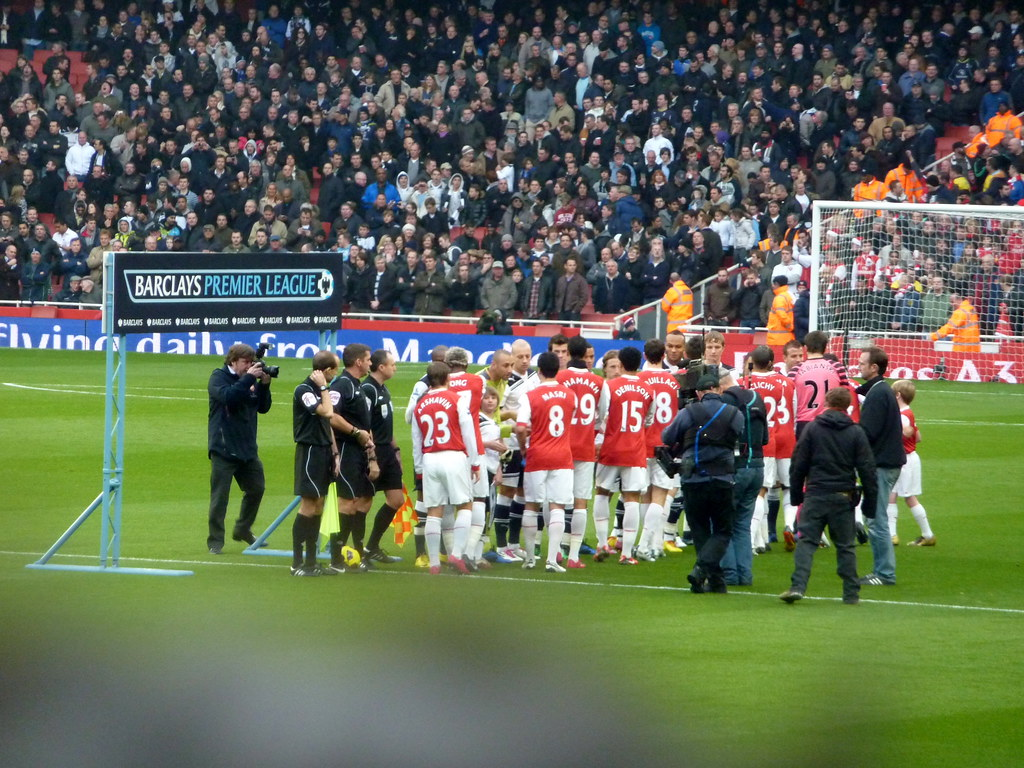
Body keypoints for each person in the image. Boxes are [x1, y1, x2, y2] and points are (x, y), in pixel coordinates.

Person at [780, 387, 878, 605]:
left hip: (815, 494)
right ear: (847, 407)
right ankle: (851, 593)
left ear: (826, 403)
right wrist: (870, 505)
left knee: (806, 542)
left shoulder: (813, 429)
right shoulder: (855, 432)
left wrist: (796, 496)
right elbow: (867, 470)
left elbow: (798, 465)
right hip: (843, 496)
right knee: (846, 546)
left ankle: (798, 586)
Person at [662, 373, 745, 593]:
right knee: (722, 530)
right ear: (719, 390)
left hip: (693, 478)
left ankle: (708, 577)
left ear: (698, 393)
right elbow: (739, 434)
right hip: (723, 478)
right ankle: (709, 577)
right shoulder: (734, 413)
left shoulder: (688, 412)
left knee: (699, 530)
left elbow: (667, 437)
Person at [411, 362, 481, 575]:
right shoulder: (457, 399)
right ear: (447, 378)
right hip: (453, 455)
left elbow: (417, 440)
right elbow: (468, 433)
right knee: (465, 505)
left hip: (430, 458)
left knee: (434, 510)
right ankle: (456, 554)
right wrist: (475, 462)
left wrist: (419, 468)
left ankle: (434, 563)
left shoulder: (420, 404)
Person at [785, 330, 850, 549]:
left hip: (804, 425)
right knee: (830, 473)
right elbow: (847, 390)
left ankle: (803, 525)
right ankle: (808, 526)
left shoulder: (797, 369)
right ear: (825, 347)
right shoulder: (836, 366)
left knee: (806, 476)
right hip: (831, 423)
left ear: (805, 347)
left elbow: (788, 394)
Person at [206, 344, 272, 554]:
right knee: (220, 498)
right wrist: (249, 379)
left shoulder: (250, 380)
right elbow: (229, 397)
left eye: (251, 363)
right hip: (223, 449)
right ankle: (215, 541)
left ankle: (243, 528)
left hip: (247, 448)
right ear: (233, 361)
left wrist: (264, 385)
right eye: (245, 363)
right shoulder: (218, 377)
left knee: (257, 488)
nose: (249, 367)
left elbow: (263, 407)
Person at [516, 351, 578, 572]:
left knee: (531, 505)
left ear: (539, 370)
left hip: (537, 455)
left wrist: (524, 448)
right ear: (558, 370)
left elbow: (521, 427)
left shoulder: (529, 395)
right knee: (558, 506)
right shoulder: (570, 395)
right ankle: (552, 559)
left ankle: (531, 558)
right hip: (562, 455)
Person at [593, 345, 653, 565]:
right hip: (635, 449)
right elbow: (648, 420)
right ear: (639, 363)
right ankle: (627, 553)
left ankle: (601, 544)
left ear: (622, 364)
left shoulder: (609, 386)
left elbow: (601, 416)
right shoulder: (648, 390)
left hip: (611, 447)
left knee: (602, 493)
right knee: (631, 499)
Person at [557, 336, 610, 568]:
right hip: (585, 445)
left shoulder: (559, 378)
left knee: (557, 501)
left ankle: (556, 550)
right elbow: (603, 412)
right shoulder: (598, 382)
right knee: (580, 502)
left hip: (560, 444)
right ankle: (574, 556)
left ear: (568, 352)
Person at [856, 345, 905, 587]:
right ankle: (882, 571)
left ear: (874, 367)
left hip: (882, 464)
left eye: (862, 363)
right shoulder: (880, 390)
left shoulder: (877, 394)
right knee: (876, 517)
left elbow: (868, 433)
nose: (858, 365)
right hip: (888, 462)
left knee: (876, 518)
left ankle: (884, 573)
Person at [326, 342, 377, 573]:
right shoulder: (342, 384)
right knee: (345, 503)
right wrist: (356, 433)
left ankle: (350, 553)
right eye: (367, 359)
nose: (370, 363)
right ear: (358, 362)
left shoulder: (356, 385)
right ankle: (335, 558)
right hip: (346, 449)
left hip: (358, 451)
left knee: (355, 501)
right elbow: (331, 416)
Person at [291, 351, 341, 577]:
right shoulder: (304, 390)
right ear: (326, 370)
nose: (336, 373)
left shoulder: (319, 390)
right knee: (308, 506)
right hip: (309, 450)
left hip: (323, 451)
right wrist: (323, 388)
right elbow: (328, 413)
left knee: (319, 504)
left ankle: (311, 562)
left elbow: (327, 425)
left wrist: (335, 452)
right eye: (335, 369)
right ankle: (297, 562)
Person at [718, 368, 768, 587]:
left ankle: (729, 573)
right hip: (758, 465)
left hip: (737, 467)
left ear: (722, 386)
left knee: (723, 523)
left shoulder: (728, 399)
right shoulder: (757, 396)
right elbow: (765, 437)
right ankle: (745, 575)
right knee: (742, 525)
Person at [635, 338, 680, 561]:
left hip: (643, 443)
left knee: (645, 495)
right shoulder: (674, 380)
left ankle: (649, 544)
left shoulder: (639, 379)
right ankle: (650, 544)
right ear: (663, 355)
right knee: (660, 496)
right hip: (666, 445)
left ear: (645, 355)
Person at [361, 350, 407, 564]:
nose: (395, 368)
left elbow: (385, 425)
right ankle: (355, 549)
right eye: (392, 364)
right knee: (363, 502)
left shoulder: (383, 389)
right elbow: (365, 424)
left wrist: (396, 451)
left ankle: (371, 546)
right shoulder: (368, 389)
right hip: (374, 451)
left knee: (397, 500)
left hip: (387, 451)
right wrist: (372, 457)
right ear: (381, 367)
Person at [888, 380, 936, 547]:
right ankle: (923, 534)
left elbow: (901, 436)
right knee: (900, 496)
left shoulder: (900, 416)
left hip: (903, 460)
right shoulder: (908, 412)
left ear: (898, 395)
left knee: (899, 496)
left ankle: (896, 535)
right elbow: (919, 438)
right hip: (910, 458)